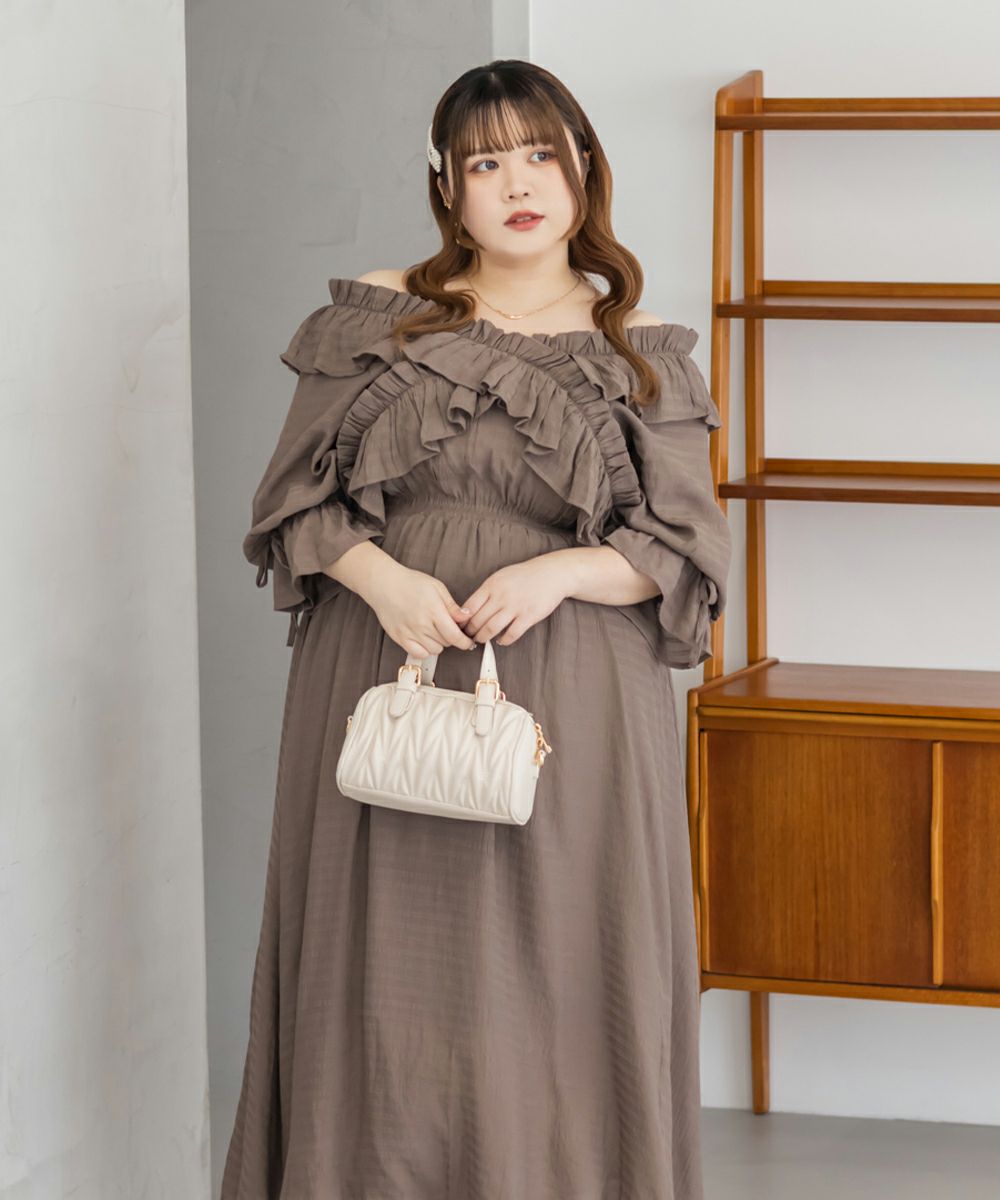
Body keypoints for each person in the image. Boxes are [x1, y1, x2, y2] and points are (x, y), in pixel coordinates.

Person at [221, 58, 732, 1200]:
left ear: (584, 167)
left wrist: (561, 572)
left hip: (578, 697)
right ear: (446, 185)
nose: (518, 184)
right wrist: (380, 579)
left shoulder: (640, 344)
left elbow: (688, 549)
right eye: (486, 162)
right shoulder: (377, 314)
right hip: (384, 661)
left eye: (541, 154)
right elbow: (290, 504)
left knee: (562, 971)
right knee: (384, 974)